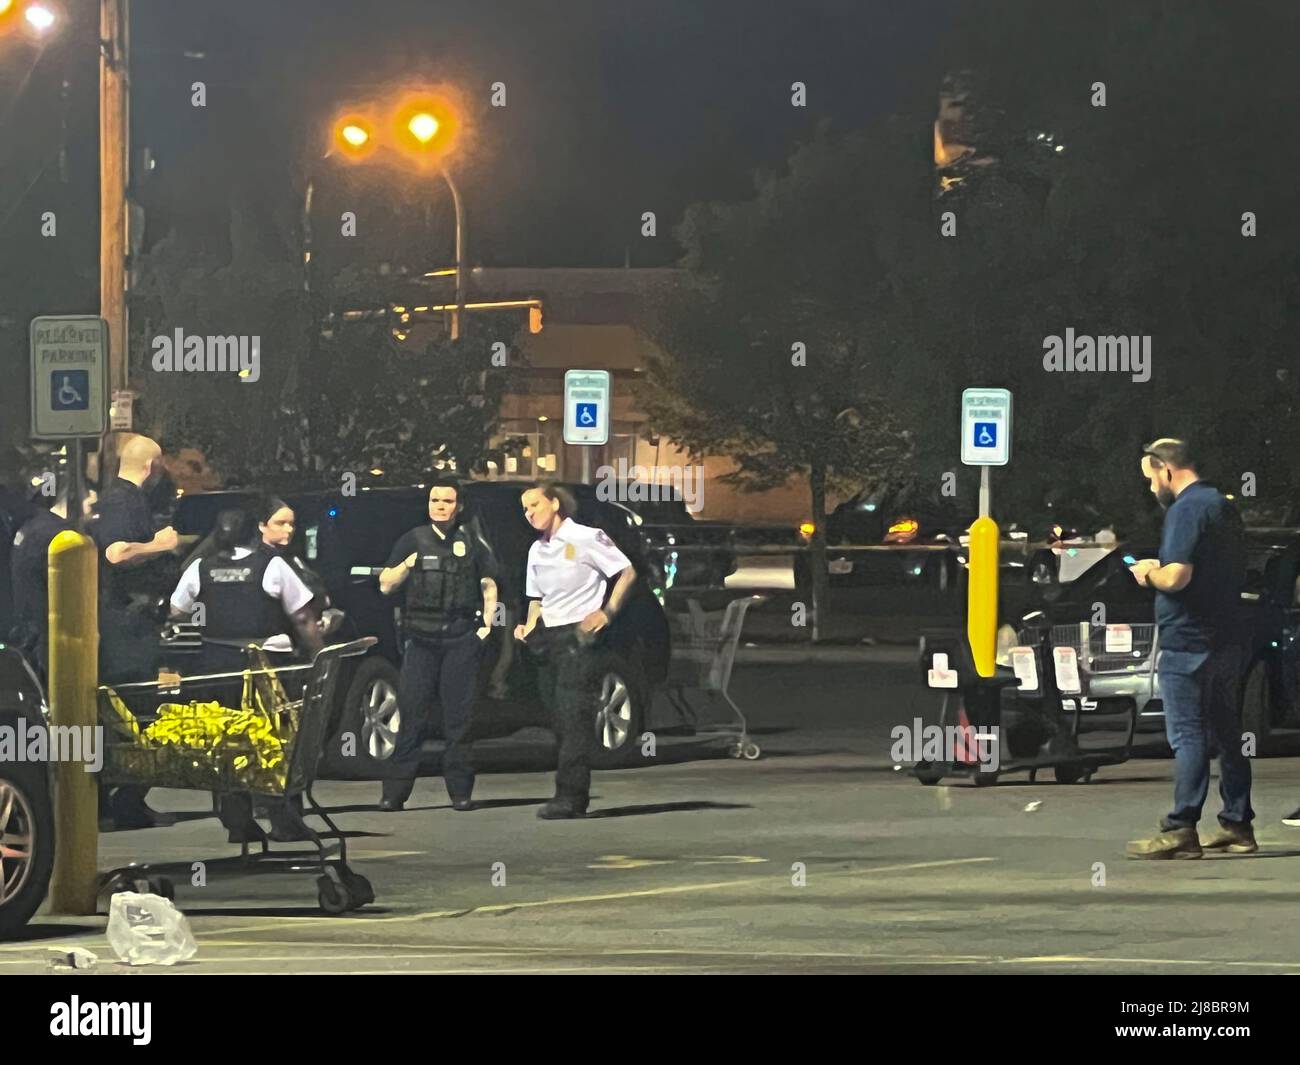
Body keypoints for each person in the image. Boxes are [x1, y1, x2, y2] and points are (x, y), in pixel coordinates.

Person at [1126, 438, 1254, 859]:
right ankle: (1237, 824)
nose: (1151, 490)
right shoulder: (1222, 505)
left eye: (1151, 479)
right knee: (1227, 733)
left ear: (1166, 469)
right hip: (1227, 637)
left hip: (1188, 640)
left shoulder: (1186, 510)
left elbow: (1177, 577)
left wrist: (1148, 573)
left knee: (1188, 735)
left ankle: (1181, 828)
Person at [169, 506, 323, 842]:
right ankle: (283, 818)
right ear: (253, 534)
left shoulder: (201, 568)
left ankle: (236, 818)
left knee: (227, 741)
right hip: (266, 665)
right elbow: (302, 618)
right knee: (275, 741)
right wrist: (317, 654)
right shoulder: (272, 565)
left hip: (217, 665)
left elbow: (177, 610)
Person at [514, 482, 638, 819]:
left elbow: (626, 572)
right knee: (556, 715)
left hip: (577, 636)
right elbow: (536, 598)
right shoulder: (537, 550)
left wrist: (606, 612)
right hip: (548, 636)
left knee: (573, 715)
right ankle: (568, 790)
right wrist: (528, 626)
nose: (530, 513)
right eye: (525, 509)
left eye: (535, 505)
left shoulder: (586, 537)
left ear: (555, 503)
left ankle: (570, 795)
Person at [377, 479, 498, 812]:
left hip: (460, 638)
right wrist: (407, 565)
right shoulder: (412, 539)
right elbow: (386, 585)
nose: (440, 505)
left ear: (458, 506)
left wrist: (486, 628)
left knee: (459, 721)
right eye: (434, 500)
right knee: (411, 716)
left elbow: (489, 584)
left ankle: (460, 792)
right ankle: (394, 794)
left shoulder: (472, 541)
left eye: (447, 500)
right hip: (421, 639)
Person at [89, 433, 179, 829]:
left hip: (126, 624)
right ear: (151, 467)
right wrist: (160, 545)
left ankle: (117, 802)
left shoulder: (122, 498)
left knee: (123, 716)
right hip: (125, 629)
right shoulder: (124, 500)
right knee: (135, 714)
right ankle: (124, 800)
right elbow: (116, 552)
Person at [8, 478, 96, 675]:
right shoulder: (60, 539)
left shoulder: (33, 526)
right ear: (74, 502)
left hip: (26, 628)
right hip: (46, 634)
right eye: (91, 505)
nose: (95, 514)